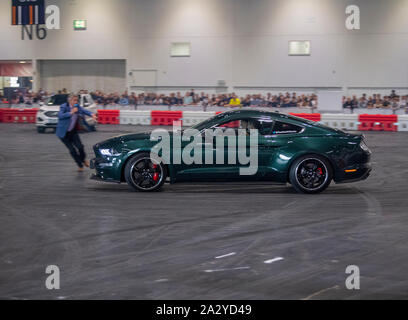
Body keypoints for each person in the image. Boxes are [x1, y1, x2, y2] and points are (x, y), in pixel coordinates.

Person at [56, 94, 97, 172]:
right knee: (72, 150)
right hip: (63, 133)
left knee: (80, 147)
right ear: (69, 100)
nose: (76, 102)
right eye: (74, 100)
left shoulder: (77, 107)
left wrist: (92, 115)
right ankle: (80, 165)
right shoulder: (64, 106)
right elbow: (60, 115)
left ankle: (83, 160)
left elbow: (84, 110)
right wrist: (71, 112)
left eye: (76, 100)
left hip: (73, 132)